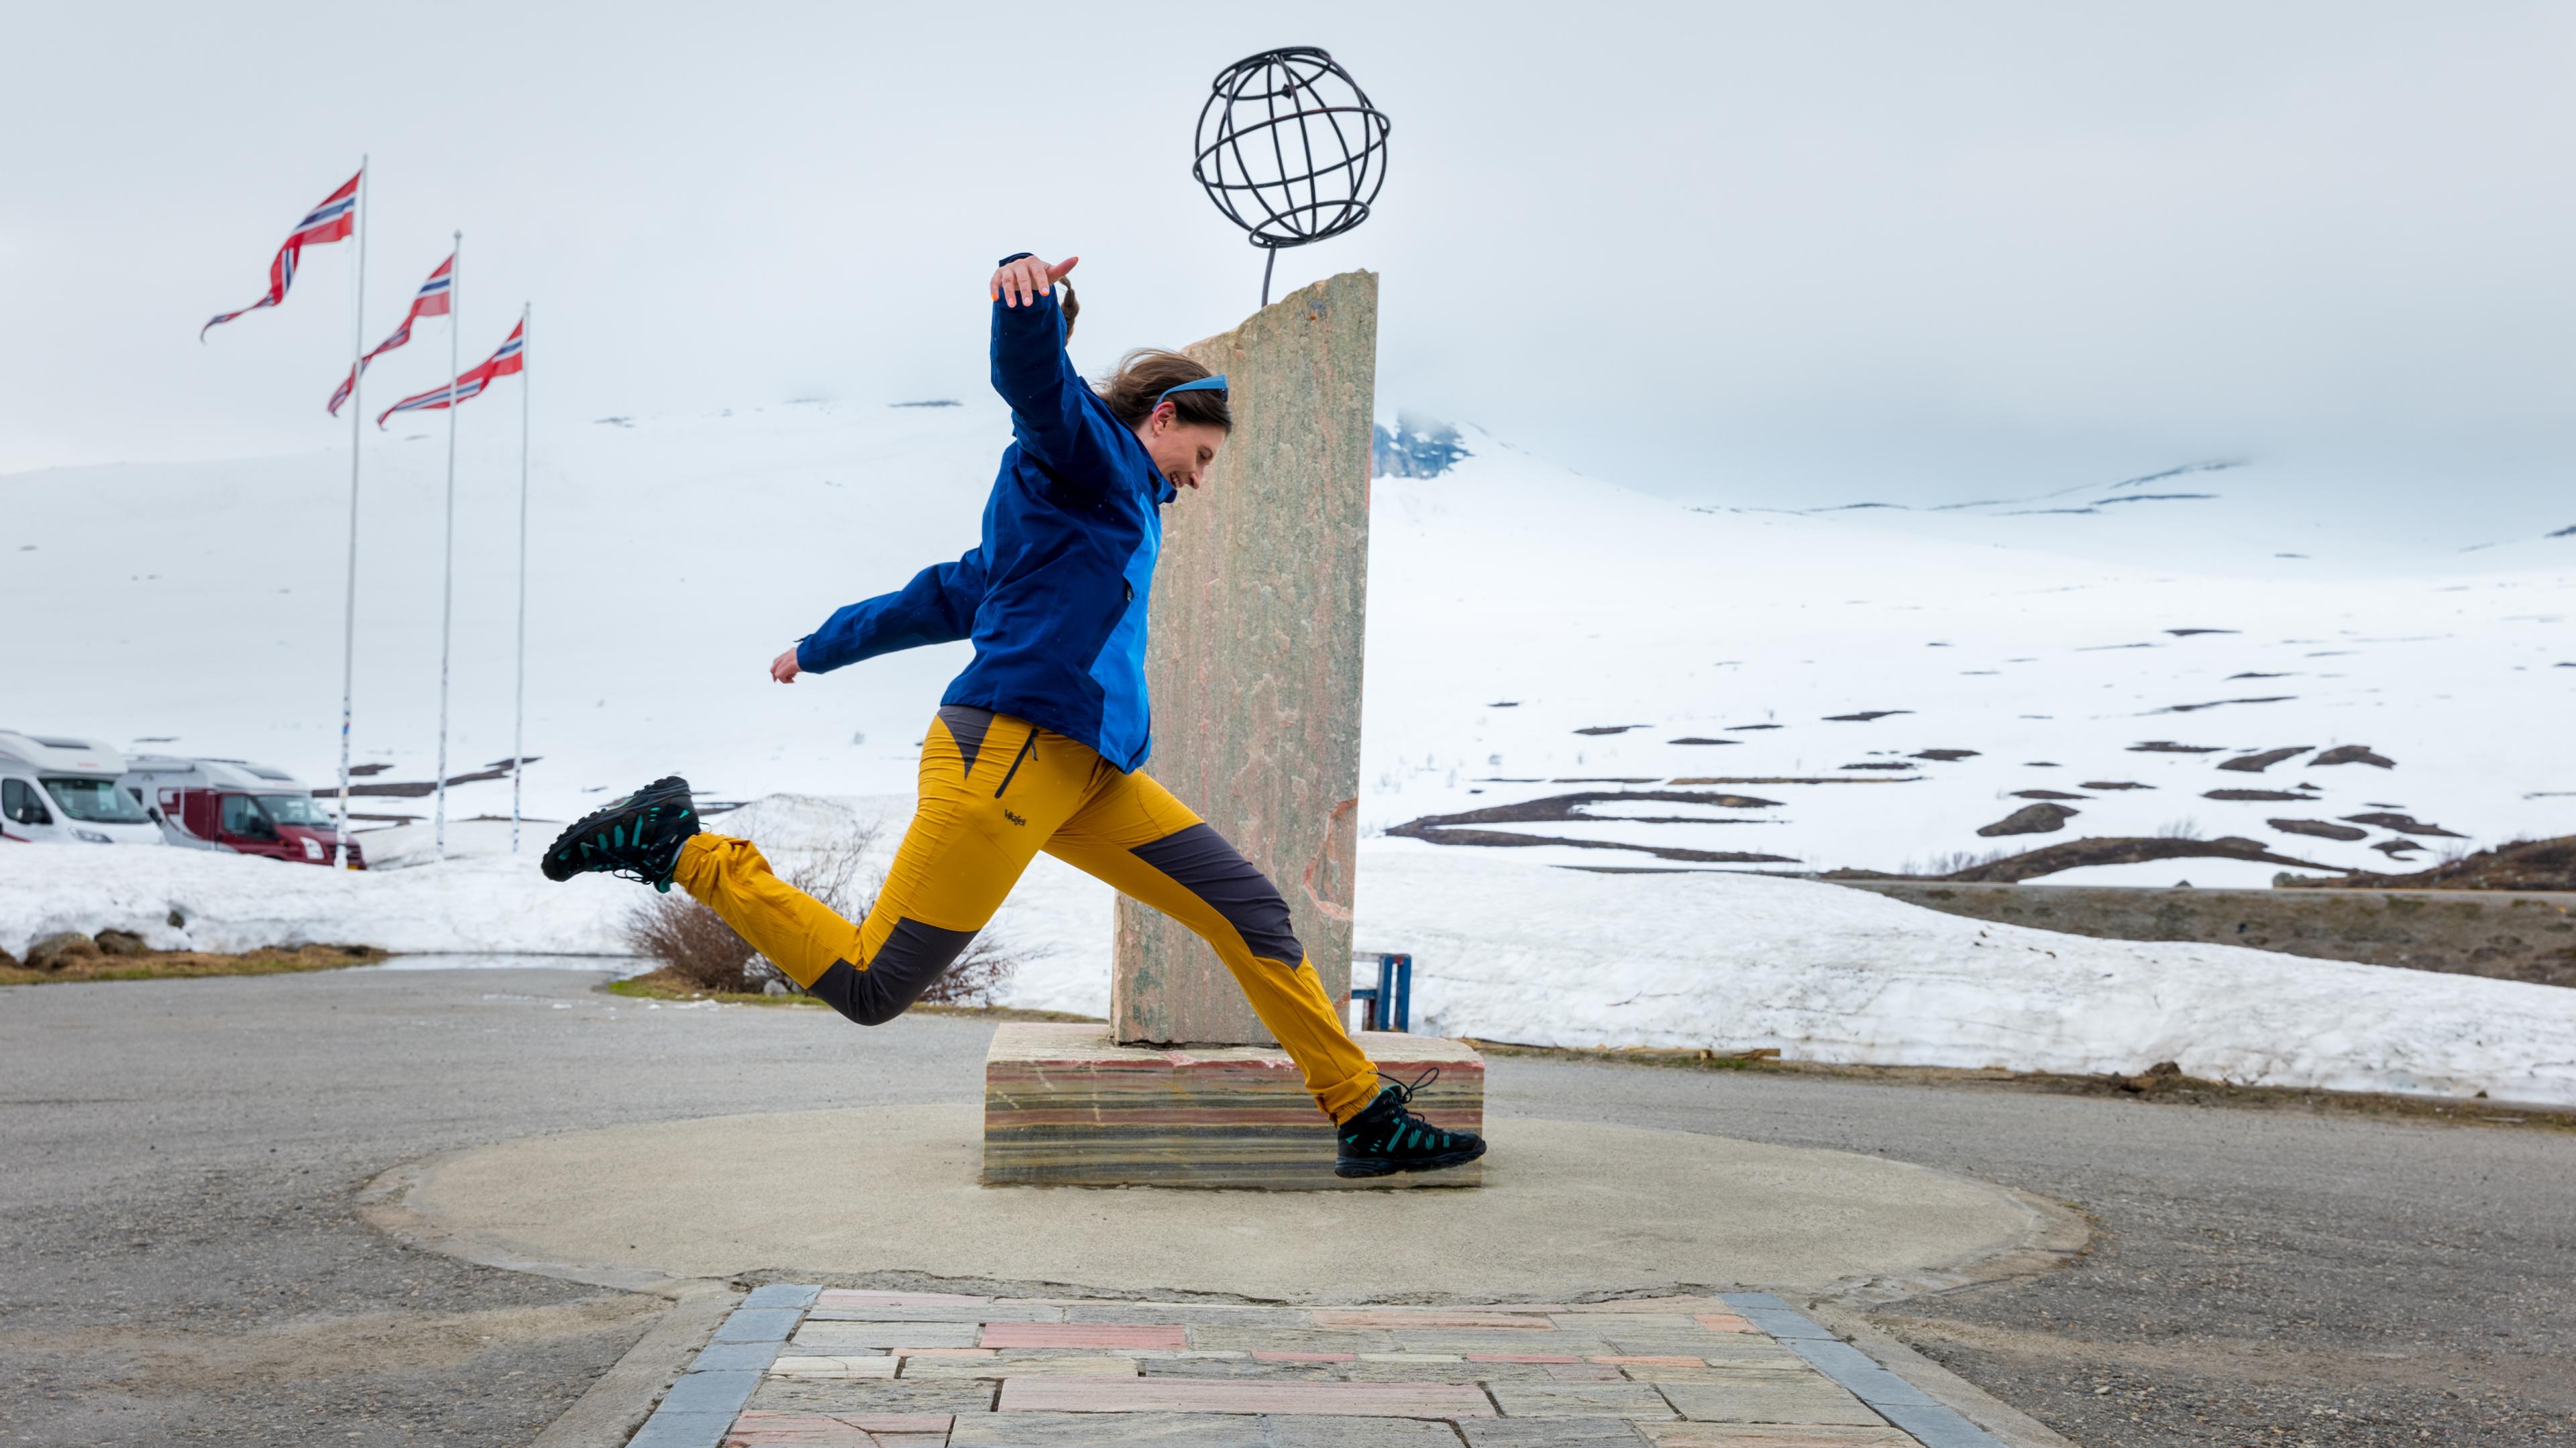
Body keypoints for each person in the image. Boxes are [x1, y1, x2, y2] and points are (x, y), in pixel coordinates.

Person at [543, 250, 1484, 1179]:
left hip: (1084, 776)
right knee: (875, 987)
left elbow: (945, 596)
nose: (1199, 481)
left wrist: (820, 646)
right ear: (1162, 418)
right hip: (1006, 755)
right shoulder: (1091, 464)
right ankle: (682, 847)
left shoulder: (1088, 516)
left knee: (1251, 911)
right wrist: (1032, 309)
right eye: (1200, 457)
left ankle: (1363, 1114)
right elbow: (1041, 396)